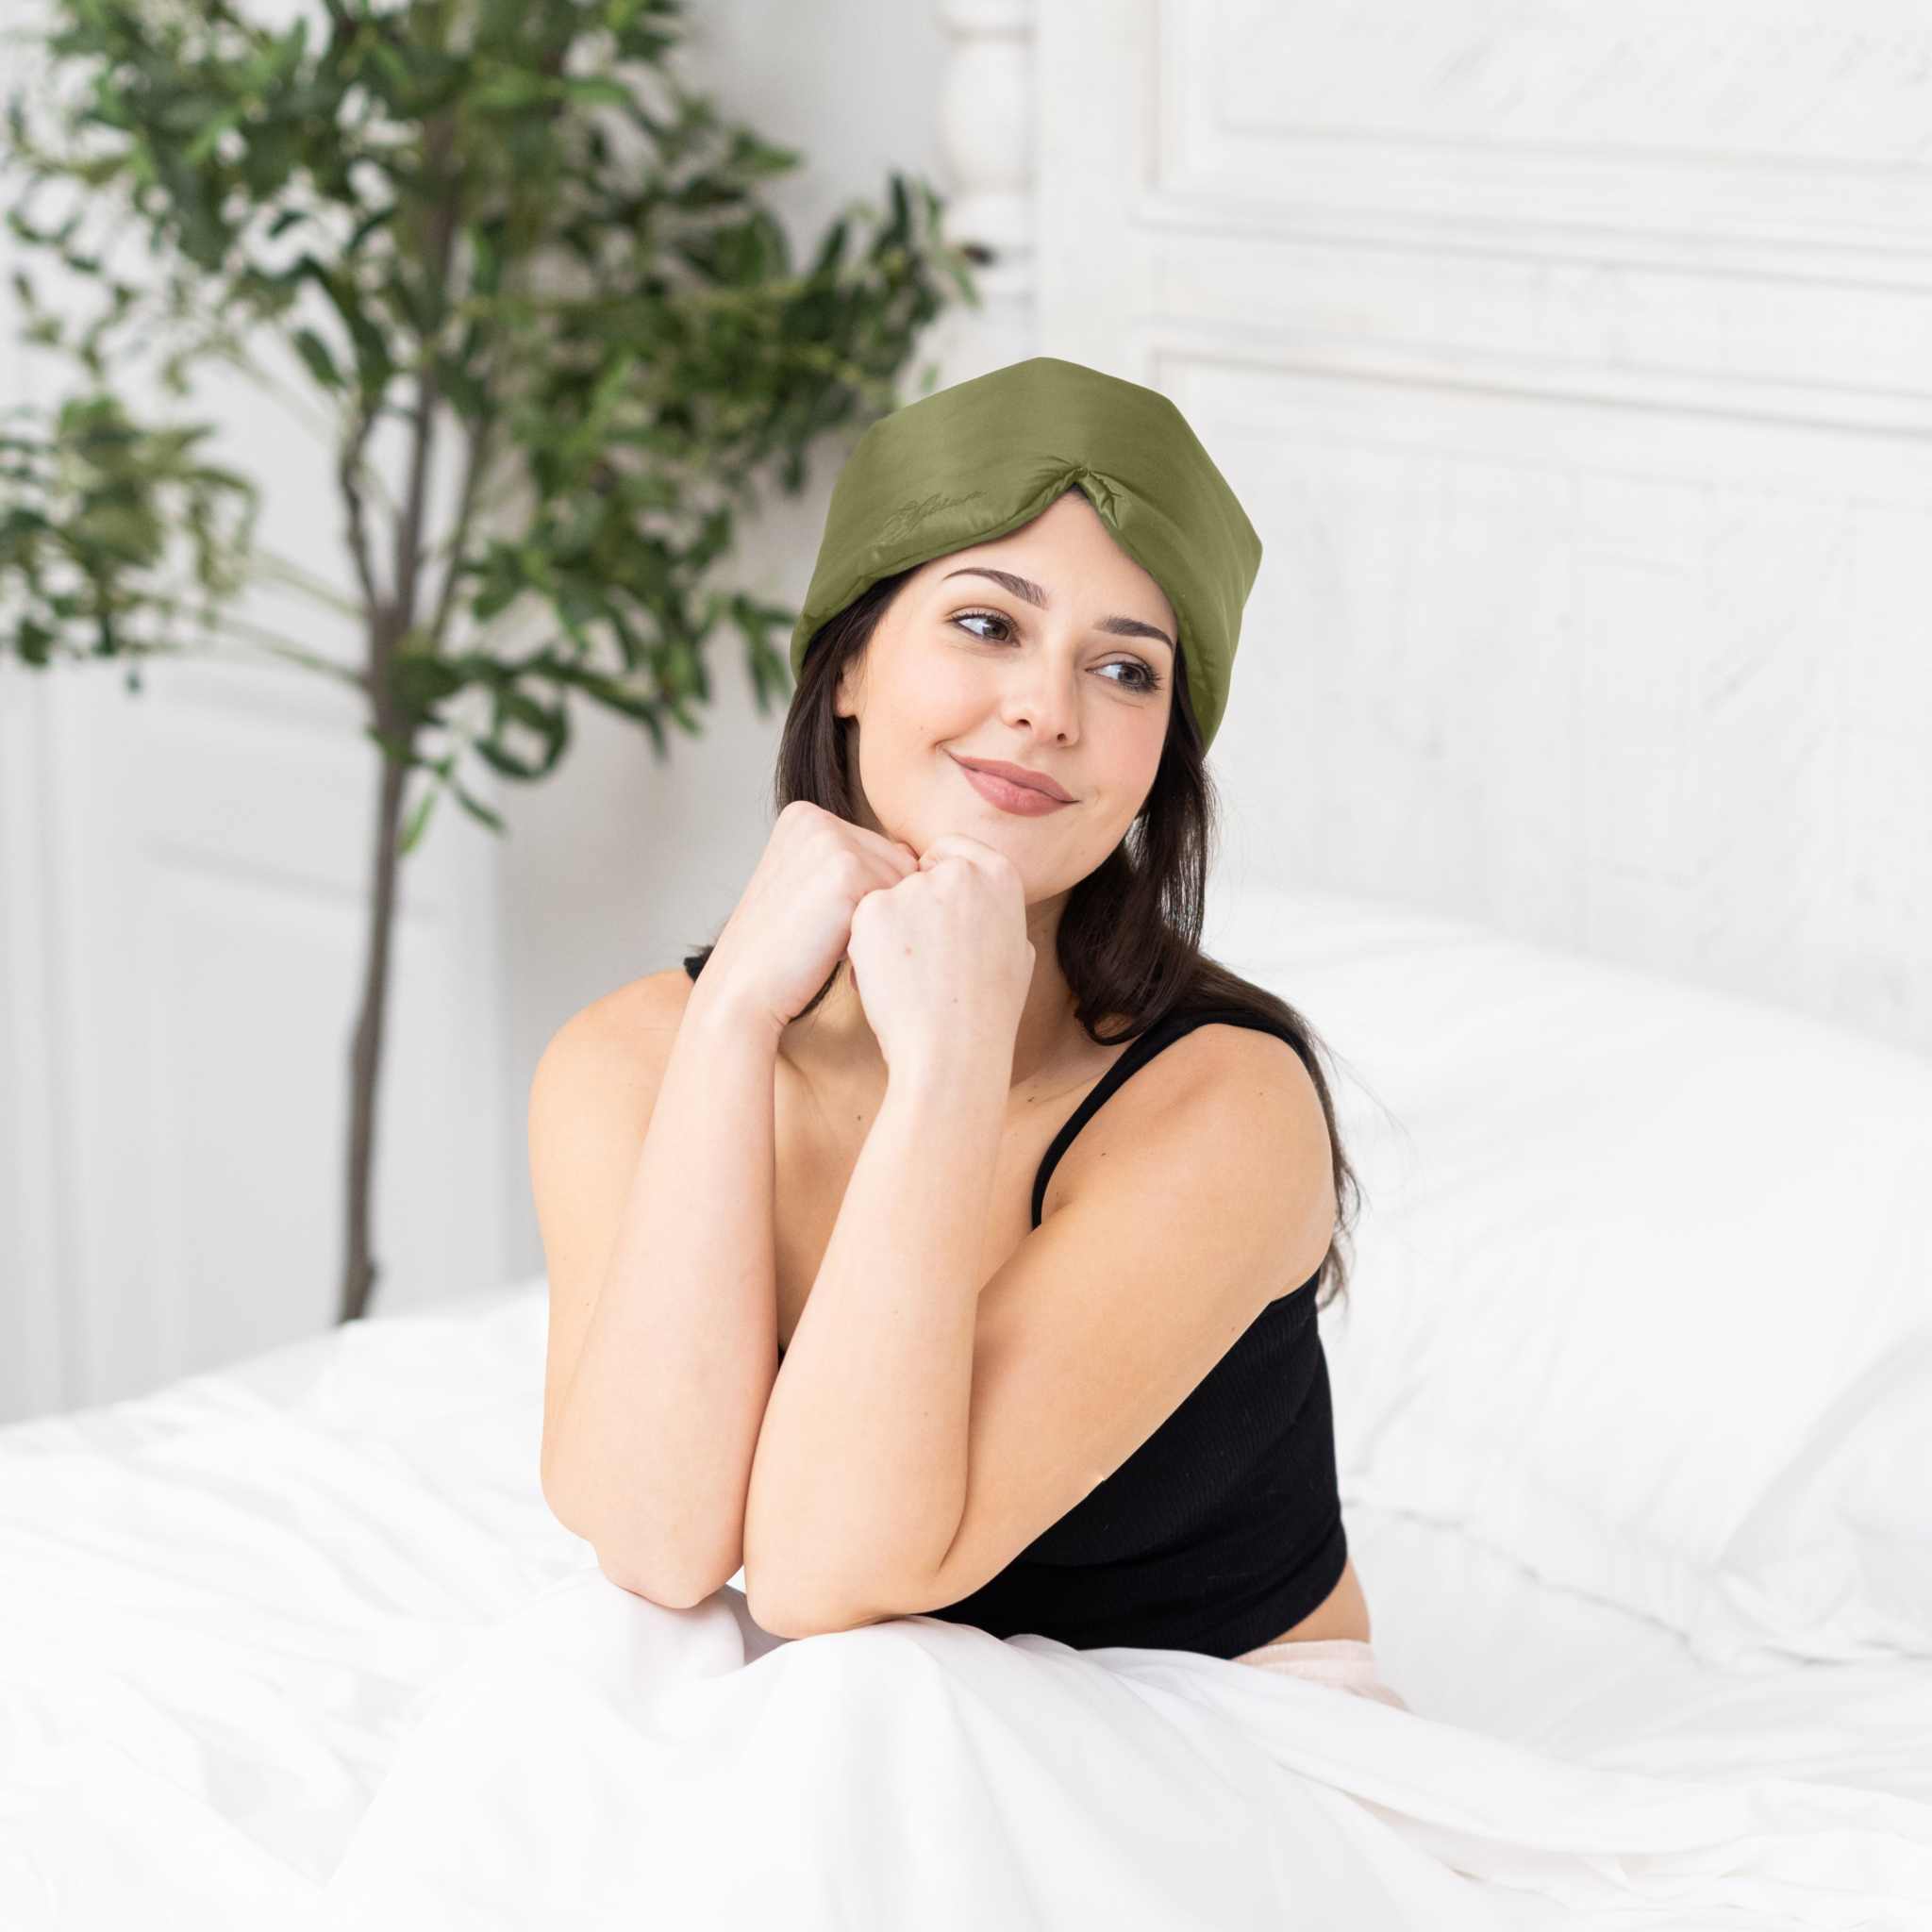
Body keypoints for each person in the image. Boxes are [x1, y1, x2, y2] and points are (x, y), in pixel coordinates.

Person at [532, 355, 1407, 1715]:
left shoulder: (1226, 1105)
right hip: (873, 1726)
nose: (1048, 711)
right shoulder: (621, 1060)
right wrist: (732, 1028)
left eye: (1124, 670)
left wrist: (947, 1064)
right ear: (850, 668)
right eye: (989, 625)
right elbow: (657, 1537)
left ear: (1154, 765)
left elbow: (827, 1573)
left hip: (1215, 1739)